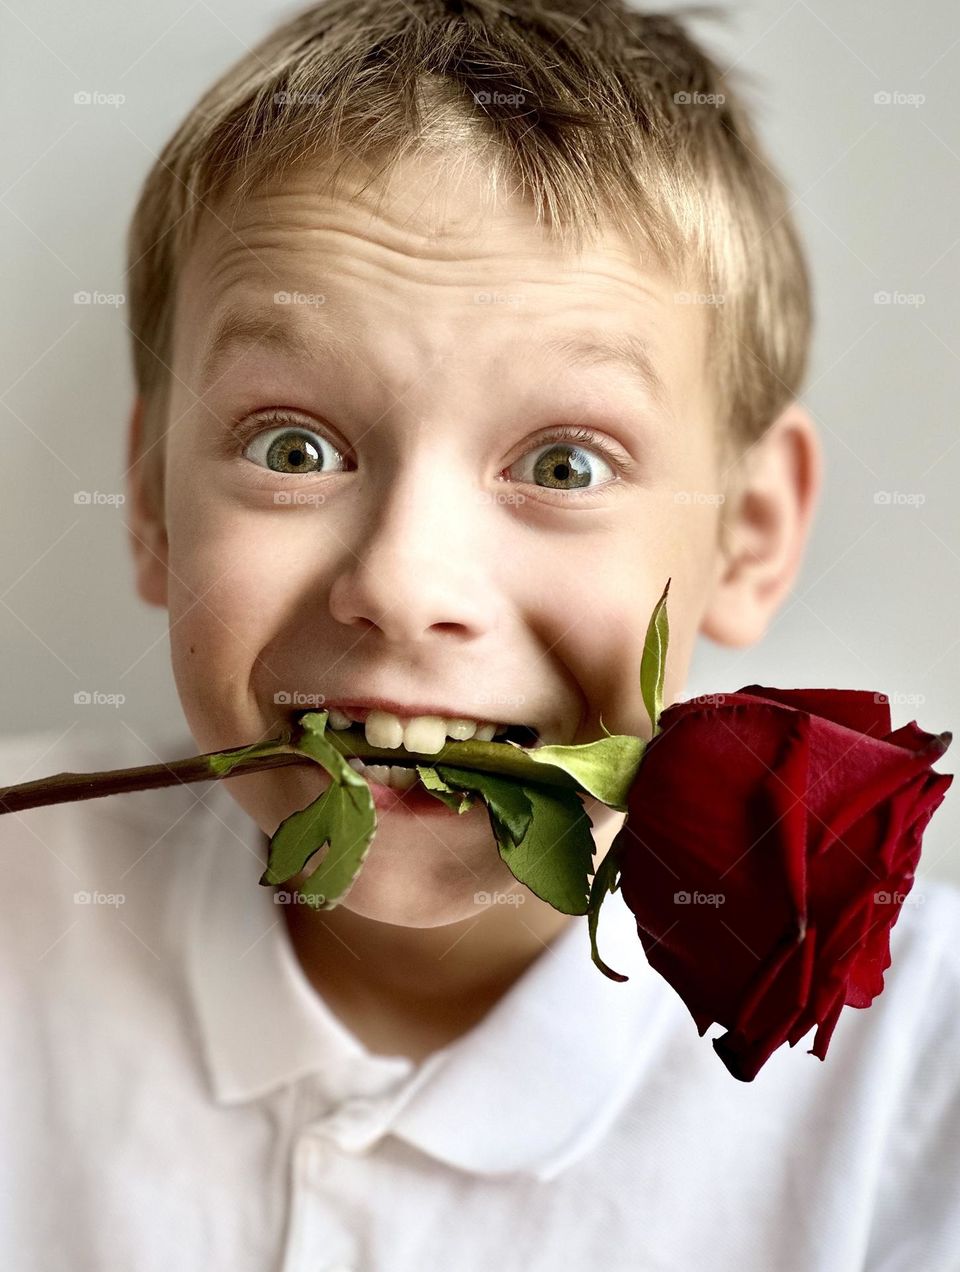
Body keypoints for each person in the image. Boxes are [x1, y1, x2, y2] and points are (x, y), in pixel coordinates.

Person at [2, 1, 958, 1268]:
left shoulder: (919, 1104)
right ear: (149, 506)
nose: (402, 584)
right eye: (294, 449)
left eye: (564, 463)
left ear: (753, 531)